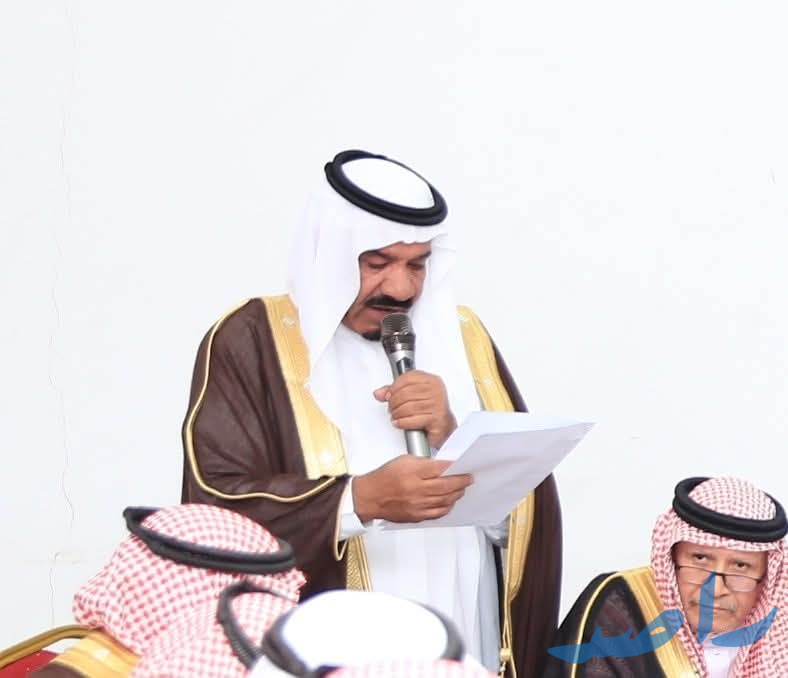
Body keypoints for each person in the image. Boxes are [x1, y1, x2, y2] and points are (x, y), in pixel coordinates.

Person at [181, 149, 562, 677]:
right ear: (331, 255)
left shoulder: (464, 337)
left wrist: (454, 437)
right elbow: (213, 506)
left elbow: (525, 516)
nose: (401, 289)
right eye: (376, 263)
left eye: (417, 265)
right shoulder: (252, 339)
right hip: (334, 646)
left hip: (463, 630)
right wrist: (358, 500)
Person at [542, 476, 788, 677]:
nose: (714, 590)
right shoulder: (621, 606)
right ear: (671, 559)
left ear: (768, 578)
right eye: (700, 559)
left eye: (740, 566)